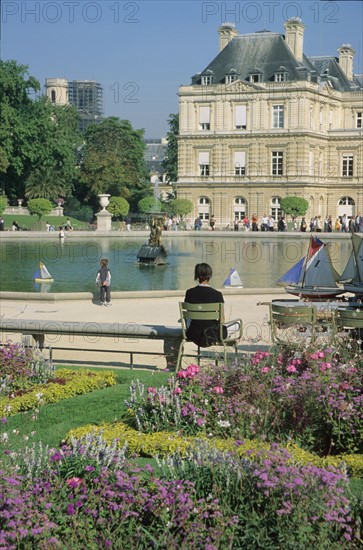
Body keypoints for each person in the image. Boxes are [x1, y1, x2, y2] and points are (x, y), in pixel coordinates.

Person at [184, 263, 225, 347]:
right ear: (210, 276)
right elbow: (222, 320)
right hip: (212, 335)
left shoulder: (189, 293)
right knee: (237, 325)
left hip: (193, 334)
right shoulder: (217, 294)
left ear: (197, 276)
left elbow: (189, 317)